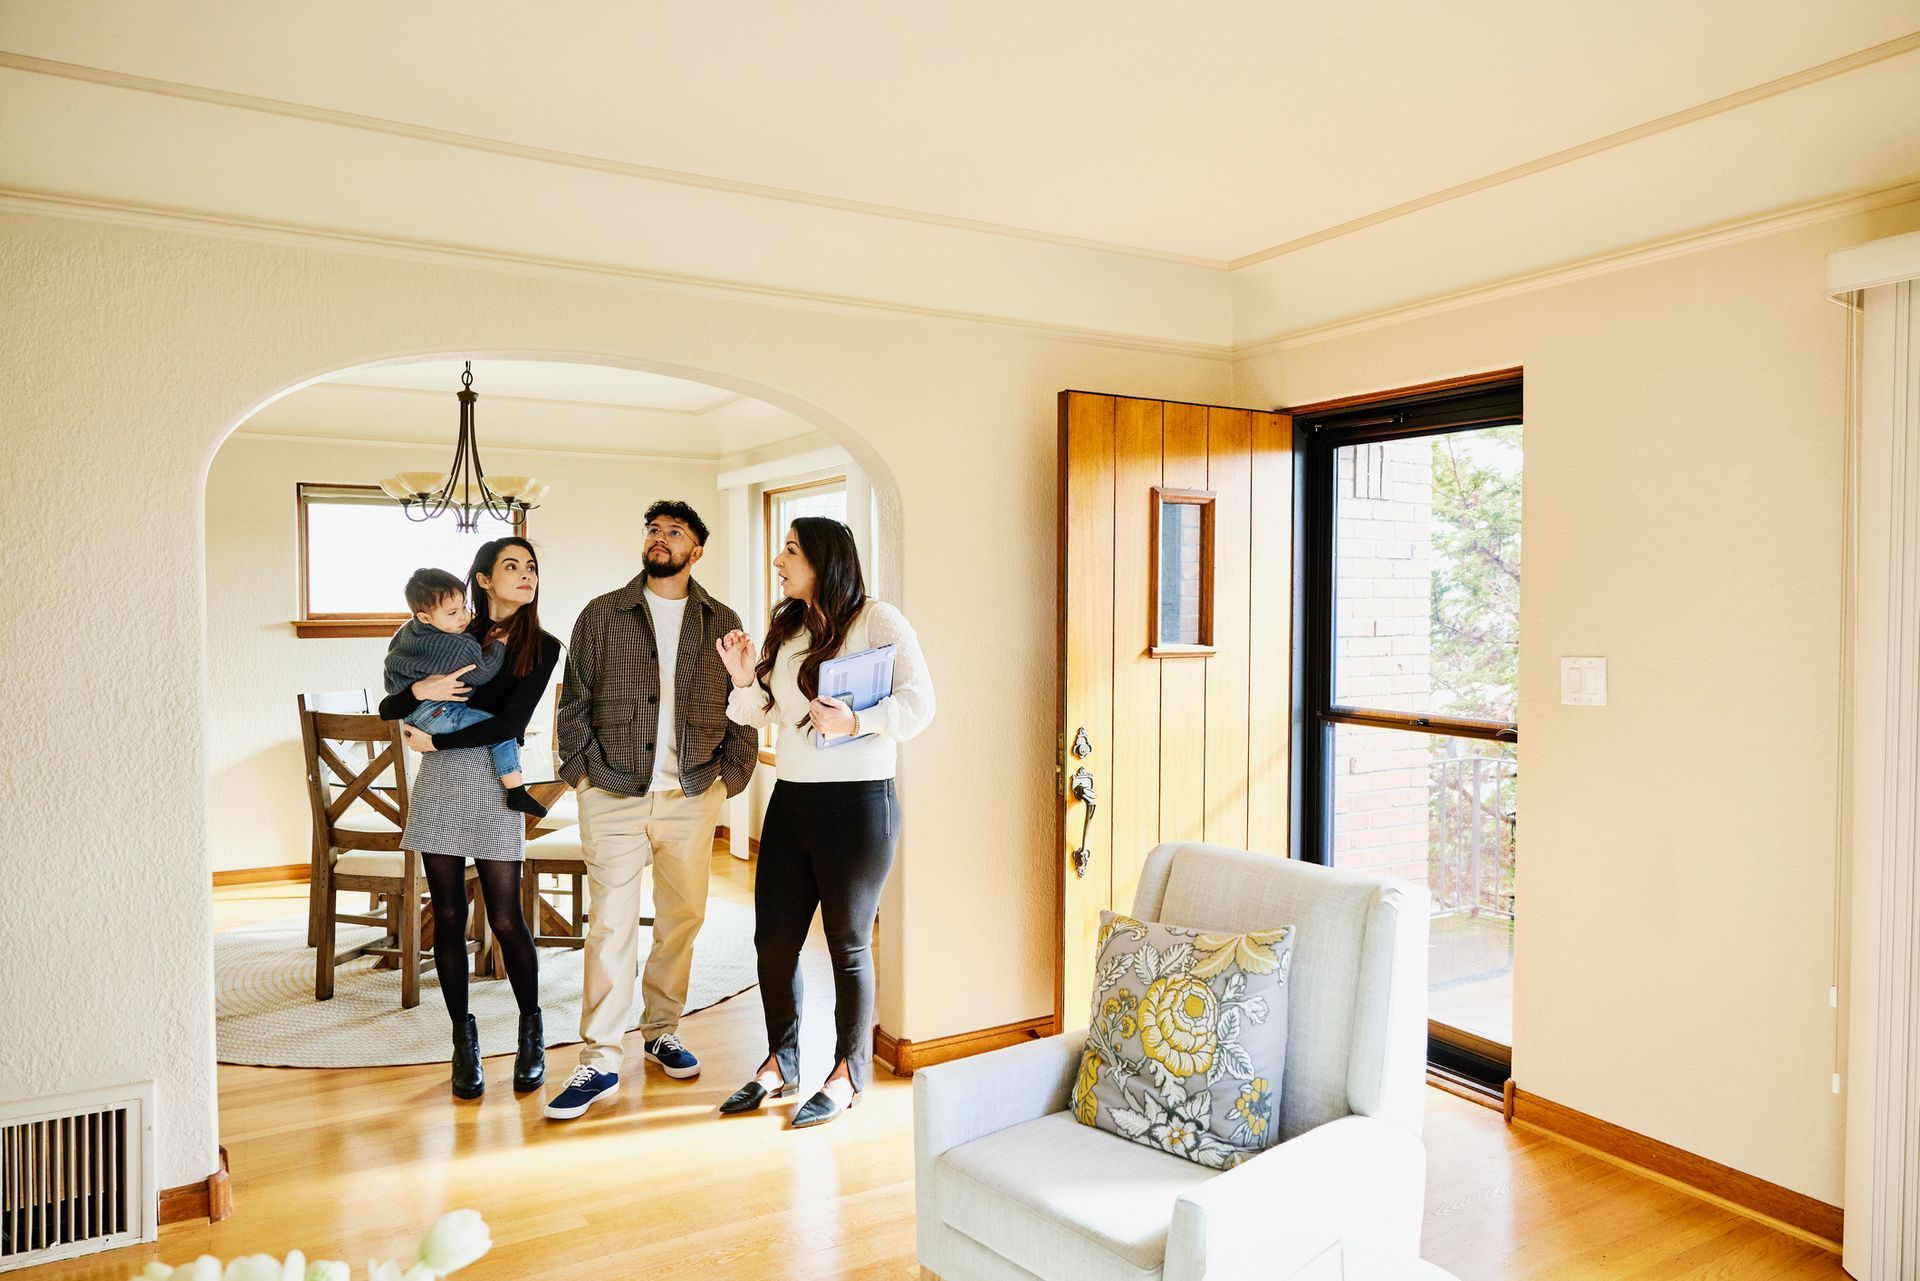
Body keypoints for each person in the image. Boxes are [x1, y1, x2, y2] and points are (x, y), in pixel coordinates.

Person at [714, 515, 935, 1128]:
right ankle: (781, 1063)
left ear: (824, 559)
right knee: (774, 940)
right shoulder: (786, 626)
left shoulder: (877, 619)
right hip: (792, 798)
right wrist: (741, 676)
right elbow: (771, 714)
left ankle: (848, 1073)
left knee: (848, 943)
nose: (779, 561)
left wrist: (857, 721)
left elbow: (921, 702)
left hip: (861, 803)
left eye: (790, 551)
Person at [542, 501, 758, 1121]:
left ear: (696, 551)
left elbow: (747, 694)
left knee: (682, 917)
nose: (660, 540)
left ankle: (662, 1028)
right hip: (613, 789)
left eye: (675, 534)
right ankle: (600, 1057)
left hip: (692, 793)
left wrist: (732, 776)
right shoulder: (604, 613)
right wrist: (581, 773)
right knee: (610, 922)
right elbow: (573, 699)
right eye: (654, 530)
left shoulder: (722, 620)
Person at [378, 537, 560, 1100]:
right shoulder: (452, 631)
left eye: (531, 566)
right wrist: (419, 690)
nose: (525, 575)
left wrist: (432, 740)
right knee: (450, 917)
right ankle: (464, 1038)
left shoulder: (544, 646)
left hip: (492, 785)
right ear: (482, 579)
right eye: (512, 566)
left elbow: (510, 722)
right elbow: (389, 708)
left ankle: (532, 1028)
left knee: (507, 919)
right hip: (440, 792)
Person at [384, 567, 547, 819]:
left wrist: (416, 693)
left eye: (463, 607)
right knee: (504, 734)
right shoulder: (456, 644)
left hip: (417, 718)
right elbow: (481, 673)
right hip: (440, 716)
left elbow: (391, 694)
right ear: (484, 580)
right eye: (452, 612)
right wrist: (497, 648)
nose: (463, 617)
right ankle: (516, 791)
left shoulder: (407, 633)